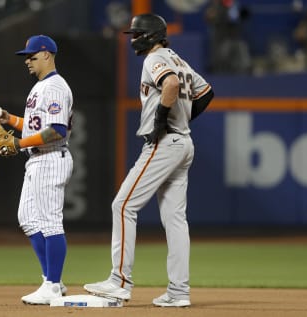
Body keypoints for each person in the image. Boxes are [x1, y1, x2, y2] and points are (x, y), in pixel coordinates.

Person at [83, 13, 214, 307]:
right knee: (175, 220)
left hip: (165, 142)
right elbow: (206, 93)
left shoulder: (154, 59)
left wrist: (161, 119)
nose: (132, 39)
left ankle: (119, 281)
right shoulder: (178, 59)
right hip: (184, 143)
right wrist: (182, 116)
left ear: (149, 35)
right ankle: (179, 292)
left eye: (136, 34)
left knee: (124, 205)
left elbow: (168, 86)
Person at [0, 34, 73, 305]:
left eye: (32, 56)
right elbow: (36, 125)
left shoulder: (55, 87)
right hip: (37, 160)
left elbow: (57, 130)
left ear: (47, 55)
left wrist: (18, 143)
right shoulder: (40, 87)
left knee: (50, 222)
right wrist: (8, 119)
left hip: (50, 158)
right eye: (26, 57)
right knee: (27, 218)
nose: (27, 61)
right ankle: (52, 280)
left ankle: (53, 283)